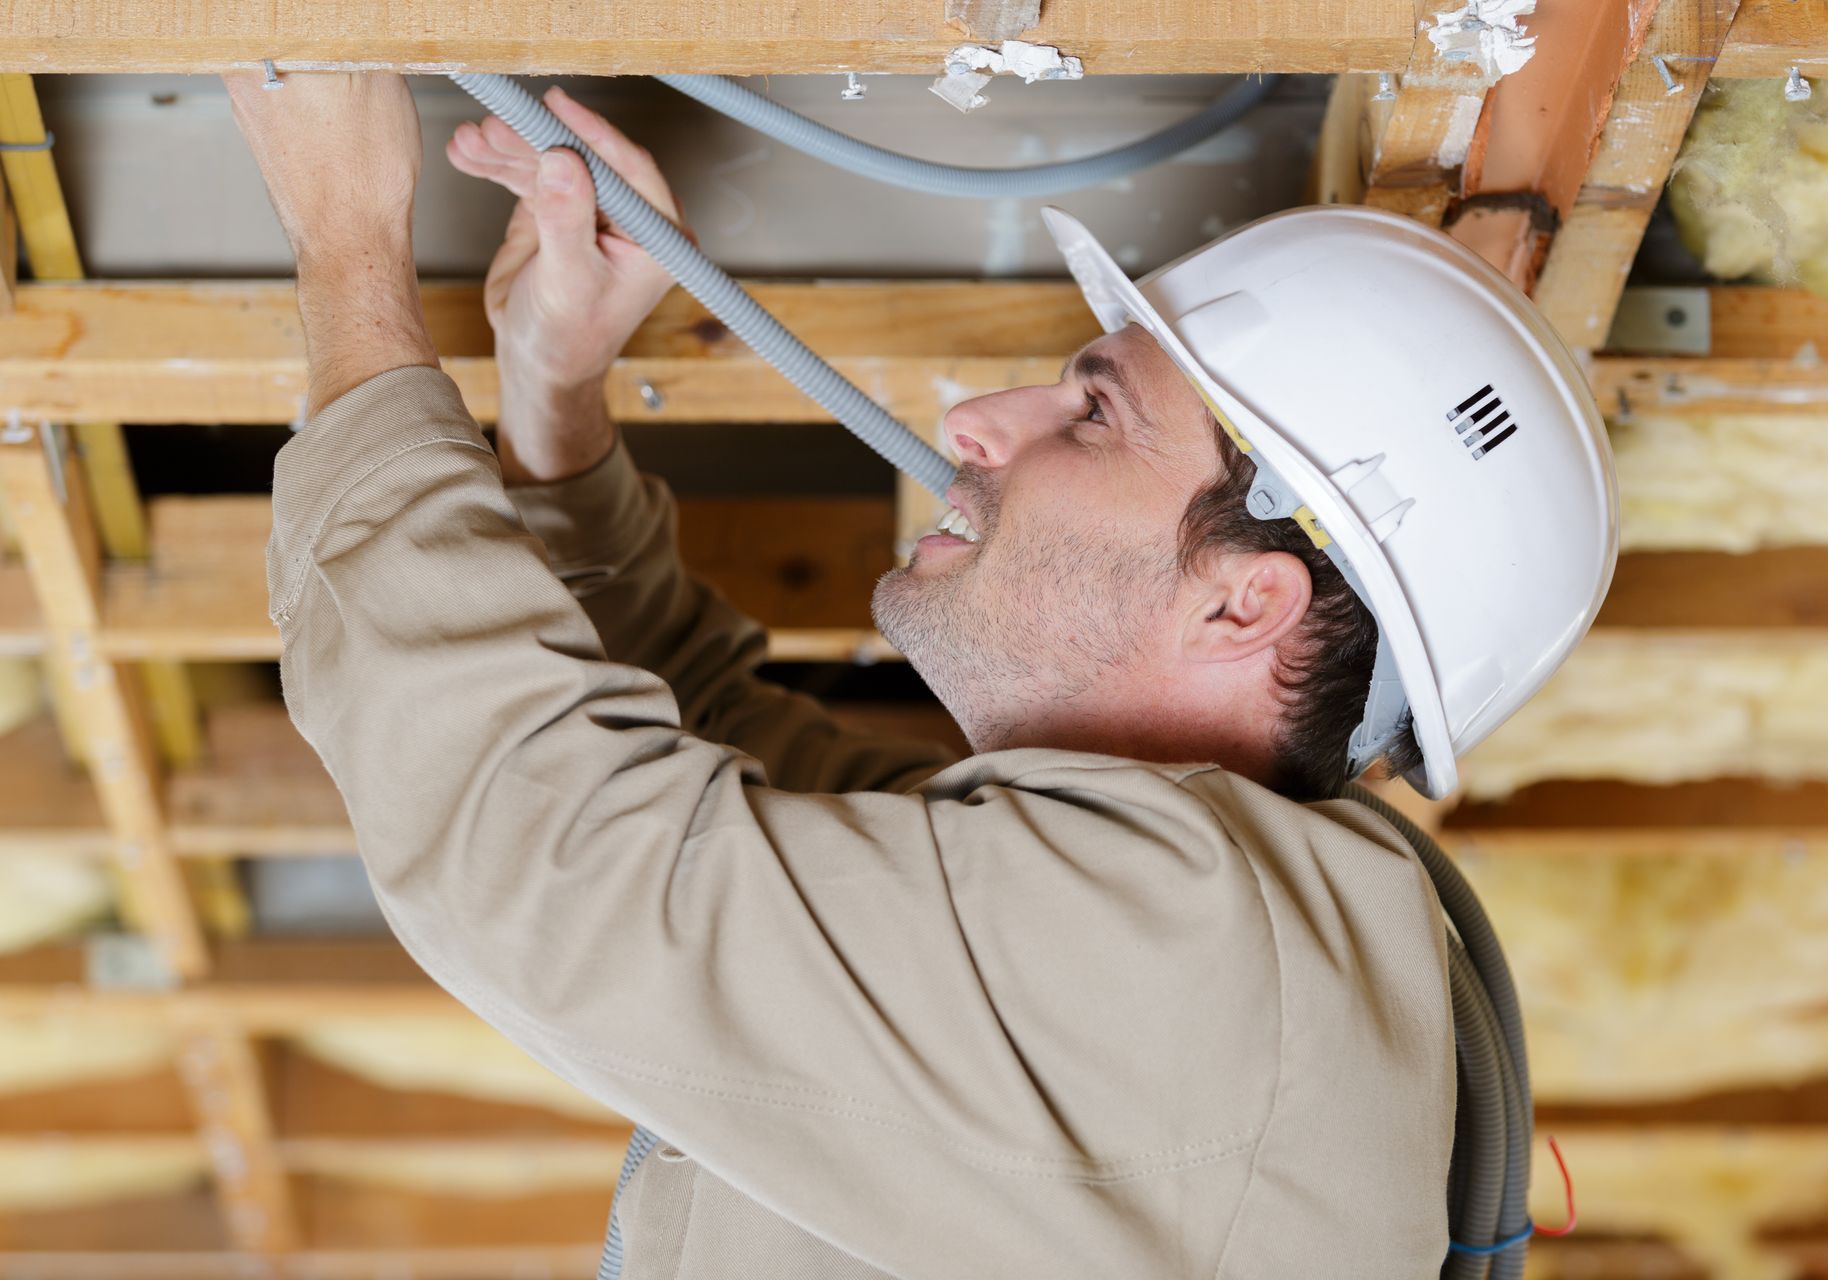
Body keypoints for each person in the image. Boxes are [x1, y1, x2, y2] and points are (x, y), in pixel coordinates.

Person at [226, 68, 1613, 1279]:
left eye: (1093, 410)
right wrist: (555, 403)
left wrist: (348, 249)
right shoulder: (1204, 934)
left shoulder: (1202, 956)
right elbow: (730, 794)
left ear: (1246, 601)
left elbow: (550, 858)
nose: (978, 421)